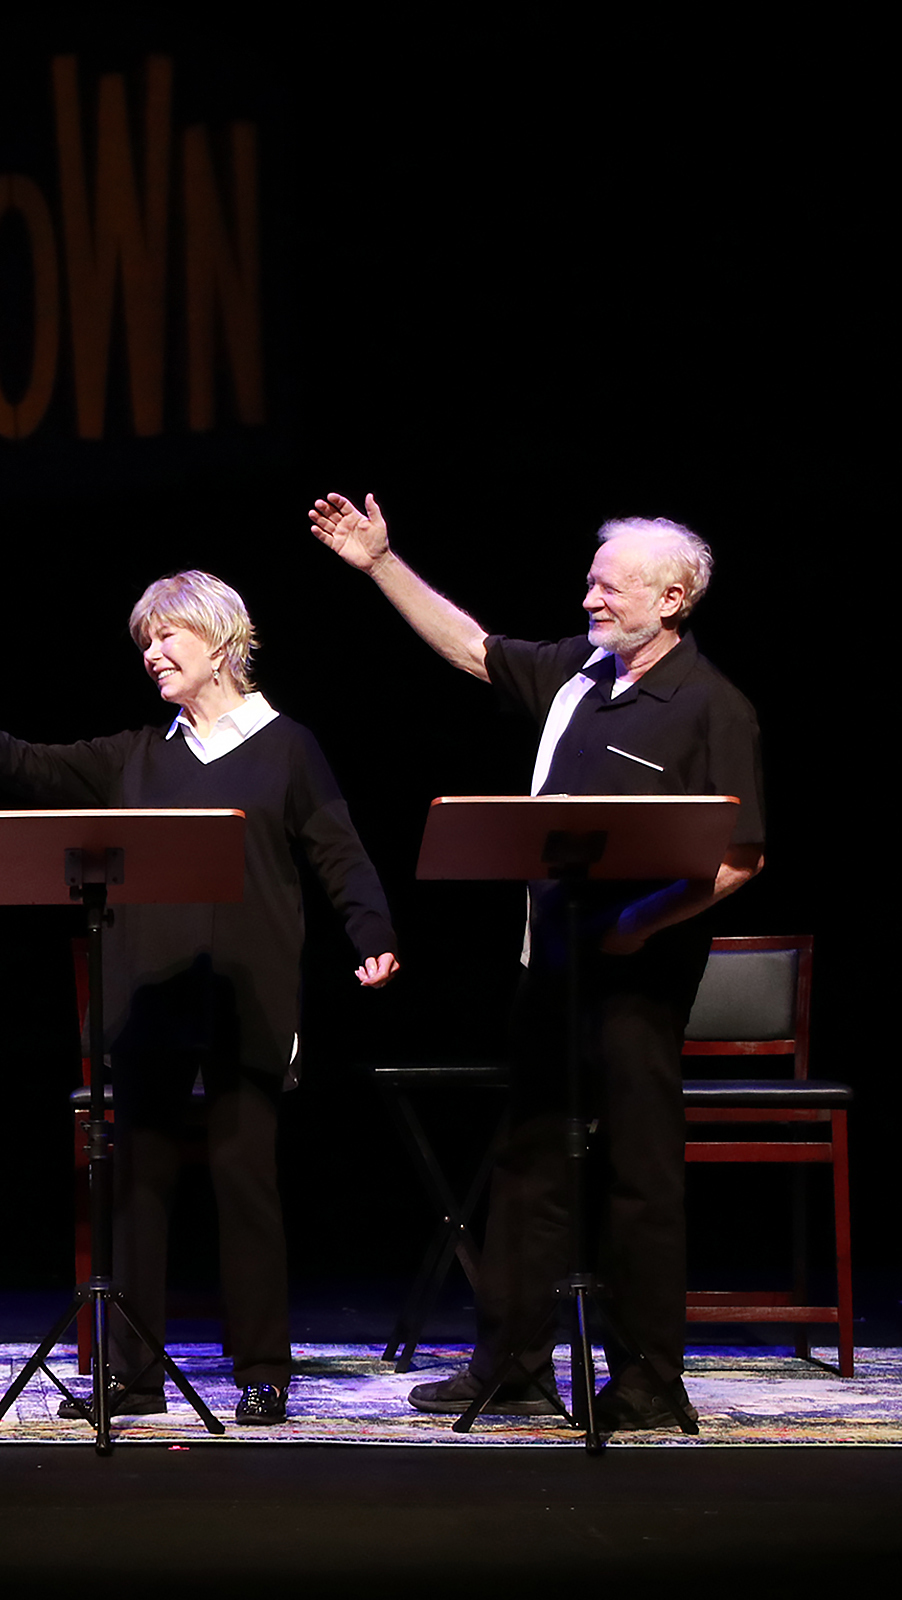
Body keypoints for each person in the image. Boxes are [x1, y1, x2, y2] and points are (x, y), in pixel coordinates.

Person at [309, 492, 765, 1431]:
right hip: (550, 967)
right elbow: (473, 648)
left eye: (610, 588)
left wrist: (641, 923)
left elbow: (741, 857)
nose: (590, 600)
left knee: (638, 1173)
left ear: (671, 600)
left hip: (638, 976)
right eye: (591, 583)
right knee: (528, 1161)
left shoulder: (711, 705)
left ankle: (648, 1380)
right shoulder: (577, 677)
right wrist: (381, 563)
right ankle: (514, 1362)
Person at [0, 571, 399, 1426]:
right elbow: (28, 764)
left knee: (247, 1185)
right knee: (136, 1189)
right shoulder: (137, 755)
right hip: (150, 999)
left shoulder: (287, 746)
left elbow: (339, 852)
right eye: (145, 641)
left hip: (247, 998)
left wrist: (372, 932)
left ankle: (263, 1371)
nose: (152, 654)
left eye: (167, 636)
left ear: (221, 641)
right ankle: (133, 1375)